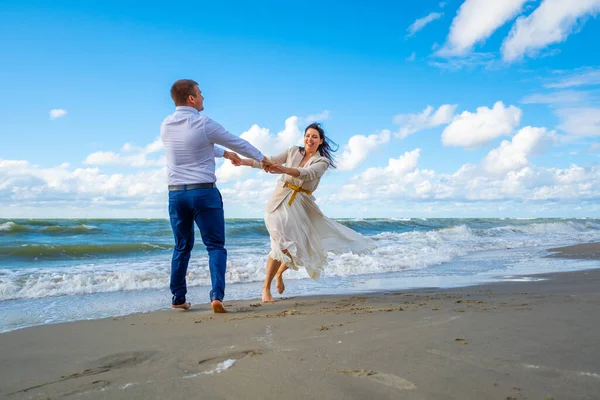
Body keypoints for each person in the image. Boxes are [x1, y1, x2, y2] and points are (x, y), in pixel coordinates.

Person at [160, 79, 271, 313]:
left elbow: (194, 145)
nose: (202, 98)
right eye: (200, 94)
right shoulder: (203, 122)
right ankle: (216, 296)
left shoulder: (166, 125)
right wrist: (263, 159)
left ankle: (178, 297)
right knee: (215, 246)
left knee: (182, 246)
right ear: (191, 98)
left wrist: (223, 154)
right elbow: (237, 141)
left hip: (176, 194)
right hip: (203, 192)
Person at [232, 123, 375, 302]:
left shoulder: (322, 161)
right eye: (308, 135)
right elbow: (268, 160)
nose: (310, 139)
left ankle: (279, 274)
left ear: (320, 141)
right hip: (279, 198)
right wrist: (243, 161)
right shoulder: (293, 151)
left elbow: (307, 174)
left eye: (314, 136)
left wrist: (282, 169)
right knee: (280, 243)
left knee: (299, 248)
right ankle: (265, 289)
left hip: (301, 203)